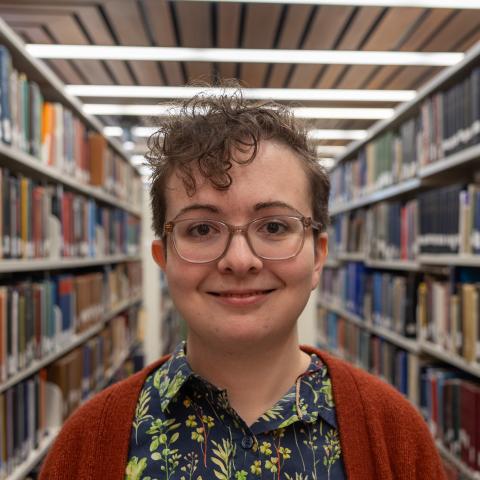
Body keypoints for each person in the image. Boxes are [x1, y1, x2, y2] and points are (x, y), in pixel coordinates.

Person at [39, 90, 446, 480]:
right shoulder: (86, 443)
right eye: (201, 229)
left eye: (273, 226)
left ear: (318, 255)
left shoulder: (395, 435)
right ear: (163, 258)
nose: (239, 260)